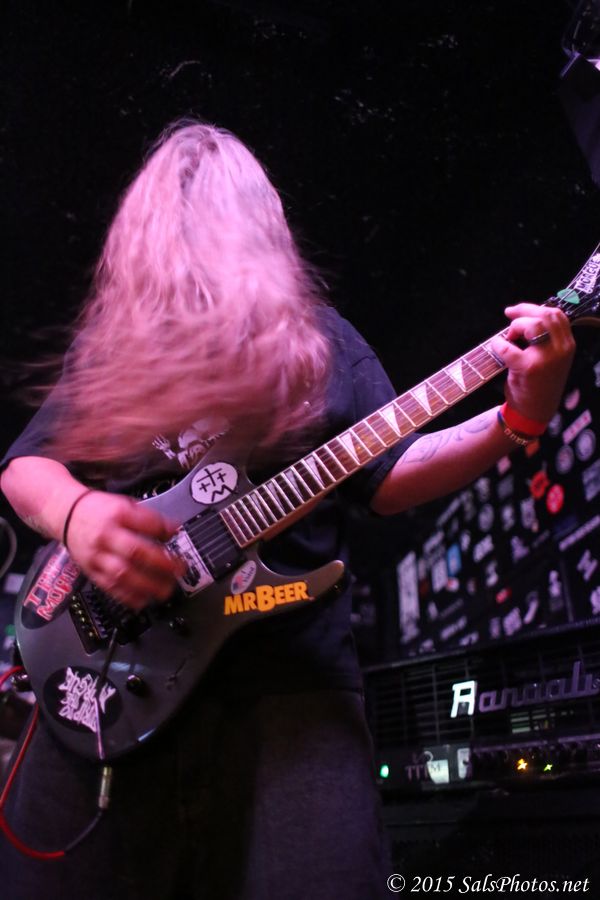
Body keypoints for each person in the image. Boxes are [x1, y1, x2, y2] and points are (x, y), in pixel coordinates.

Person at [0, 122, 575, 900]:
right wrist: (78, 515)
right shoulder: (112, 349)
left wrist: (519, 418)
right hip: (100, 675)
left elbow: (388, 474)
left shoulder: (319, 340)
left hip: (290, 687)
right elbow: (26, 467)